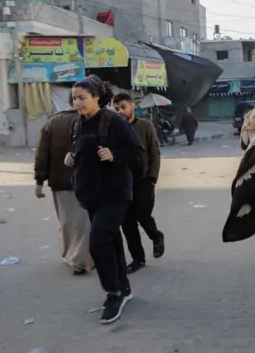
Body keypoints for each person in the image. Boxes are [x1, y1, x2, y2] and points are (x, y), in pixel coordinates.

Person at [64, 75, 145, 324]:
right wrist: (71, 158)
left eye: (82, 98)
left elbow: (137, 153)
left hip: (115, 194)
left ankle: (114, 292)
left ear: (96, 97)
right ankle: (125, 288)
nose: (78, 103)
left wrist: (115, 155)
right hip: (91, 195)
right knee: (112, 242)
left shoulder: (114, 121)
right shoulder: (77, 124)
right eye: (75, 98)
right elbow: (80, 152)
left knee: (99, 242)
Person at [34, 93, 93, 276]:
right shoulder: (88, 121)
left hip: (59, 182)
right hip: (85, 181)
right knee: (84, 224)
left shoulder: (52, 123)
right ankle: (79, 260)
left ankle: (71, 255)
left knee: (66, 222)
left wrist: (39, 181)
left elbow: (42, 153)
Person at [113, 93, 165, 274]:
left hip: (143, 180)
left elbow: (154, 153)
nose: (120, 111)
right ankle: (138, 258)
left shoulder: (145, 125)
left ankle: (156, 236)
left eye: (123, 107)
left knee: (143, 215)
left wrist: (152, 178)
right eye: (117, 108)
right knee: (127, 223)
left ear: (132, 106)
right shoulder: (114, 128)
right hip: (121, 183)